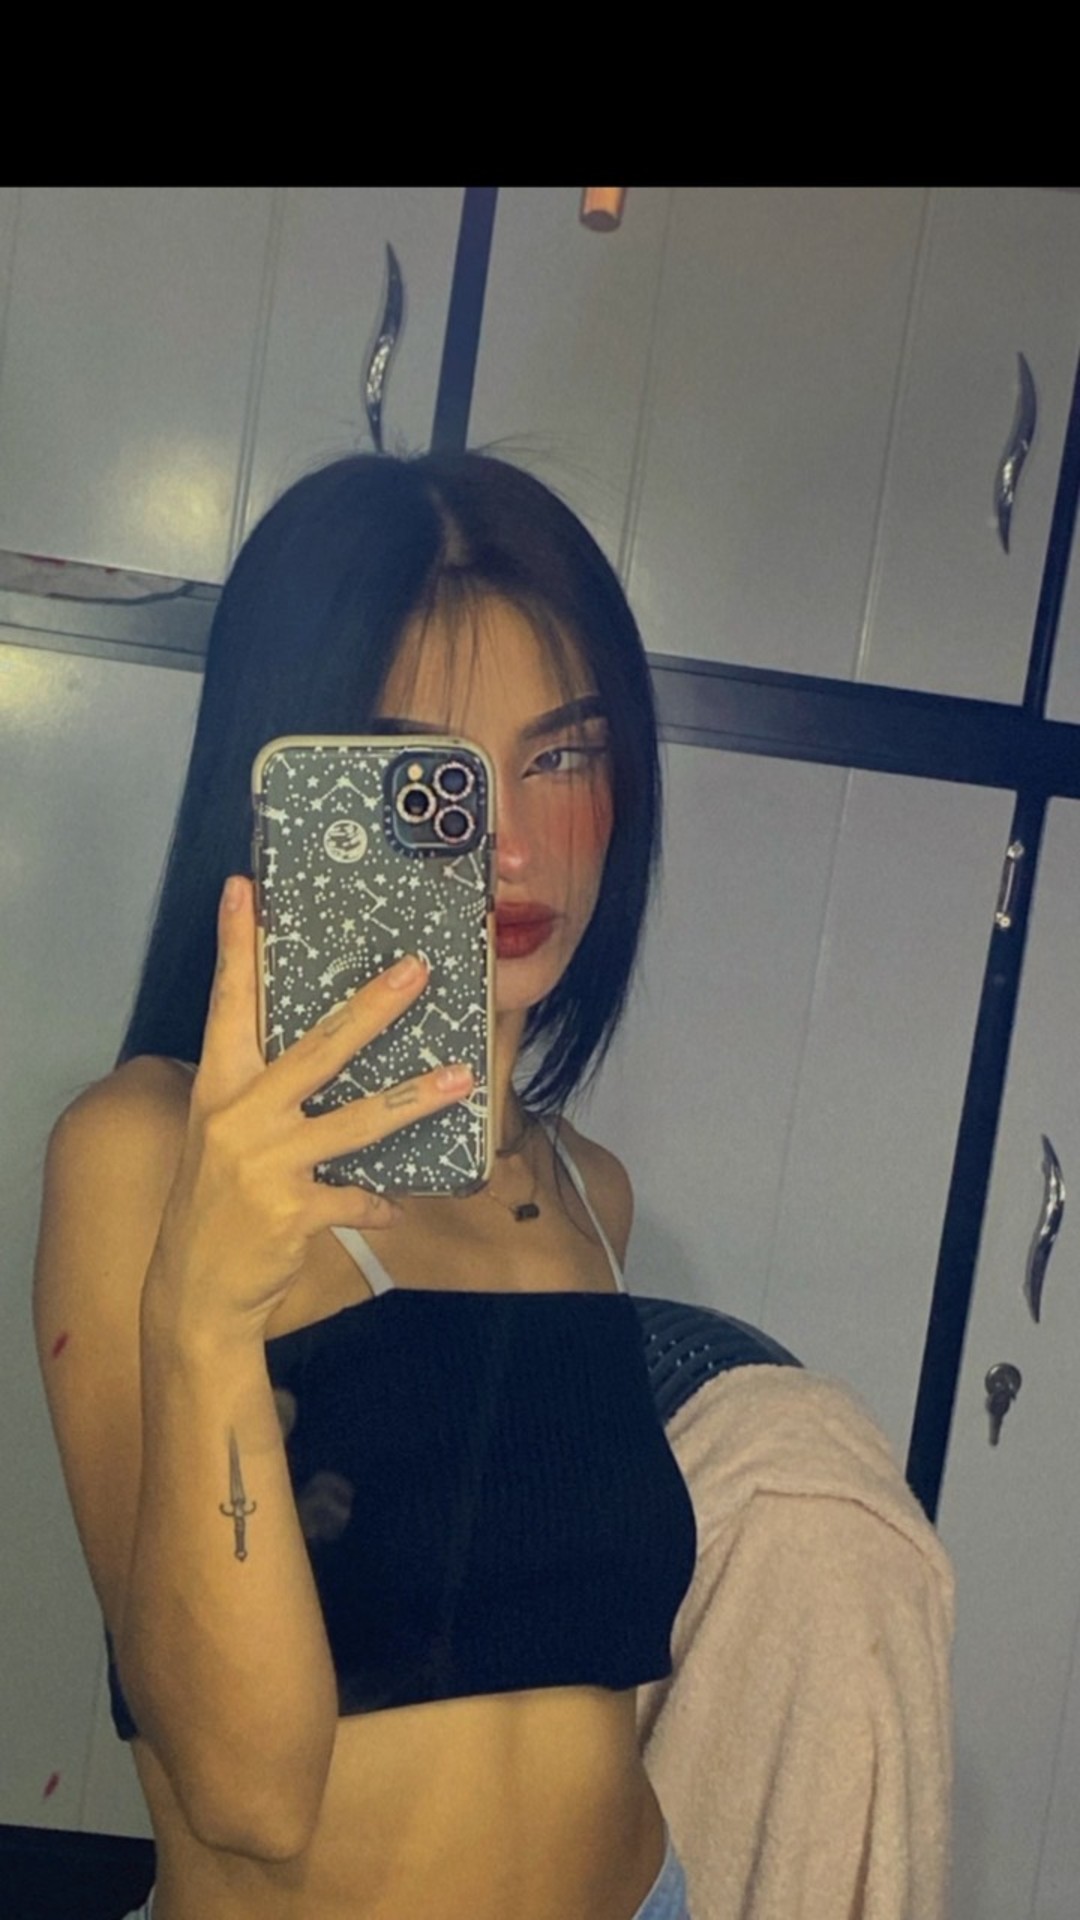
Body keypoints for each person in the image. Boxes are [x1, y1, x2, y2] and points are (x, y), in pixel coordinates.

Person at [32, 451, 698, 1920]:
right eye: (430, 780)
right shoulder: (143, 1155)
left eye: (564, 758)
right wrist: (207, 1315)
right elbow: (245, 1796)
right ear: (294, 797)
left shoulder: (589, 1193)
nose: (511, 842)